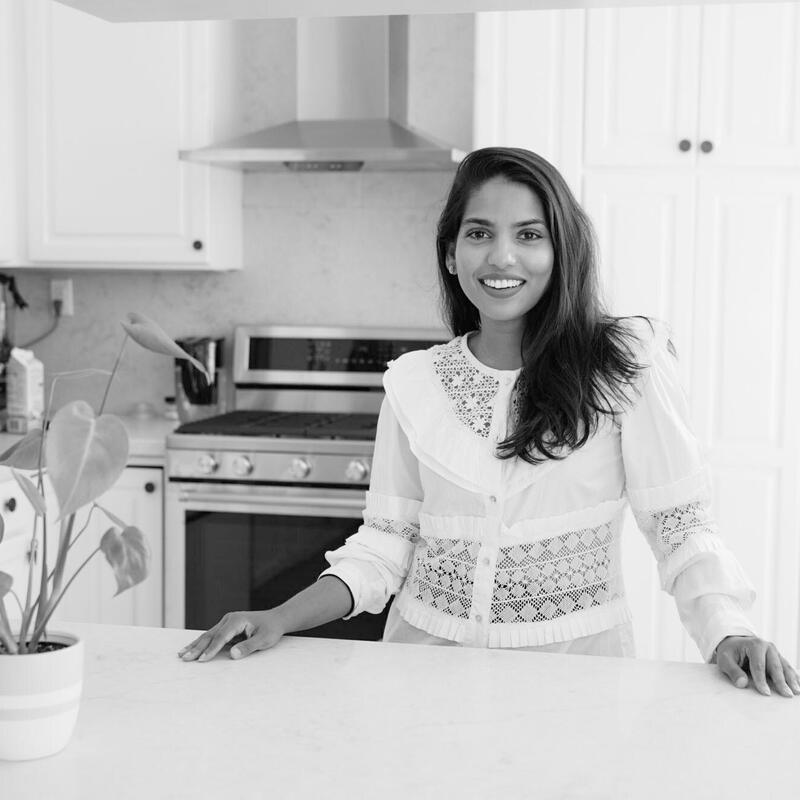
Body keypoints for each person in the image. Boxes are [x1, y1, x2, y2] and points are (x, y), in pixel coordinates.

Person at [179, 147, 800, 698]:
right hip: (422, 677)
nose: (502, 256)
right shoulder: (415, 383)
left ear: (561, 252)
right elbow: (385, 543)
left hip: (574, 682)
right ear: (451, 254)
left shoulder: (623, 366)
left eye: (530, 234)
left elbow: (679, 526)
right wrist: (280, 616)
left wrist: (727, 632)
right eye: (479, 233)